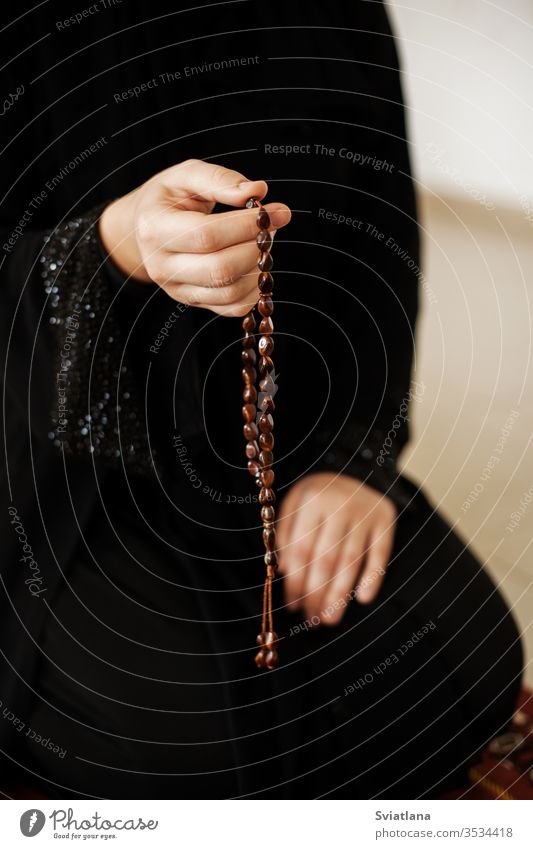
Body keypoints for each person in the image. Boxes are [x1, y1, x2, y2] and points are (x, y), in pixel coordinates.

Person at [0, 0, 522, 799]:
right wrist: (109, 247)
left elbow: (379, 255)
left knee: (464, 659)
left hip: (285, 436)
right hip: (56, 465)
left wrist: (353, 457)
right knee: (191, 759)